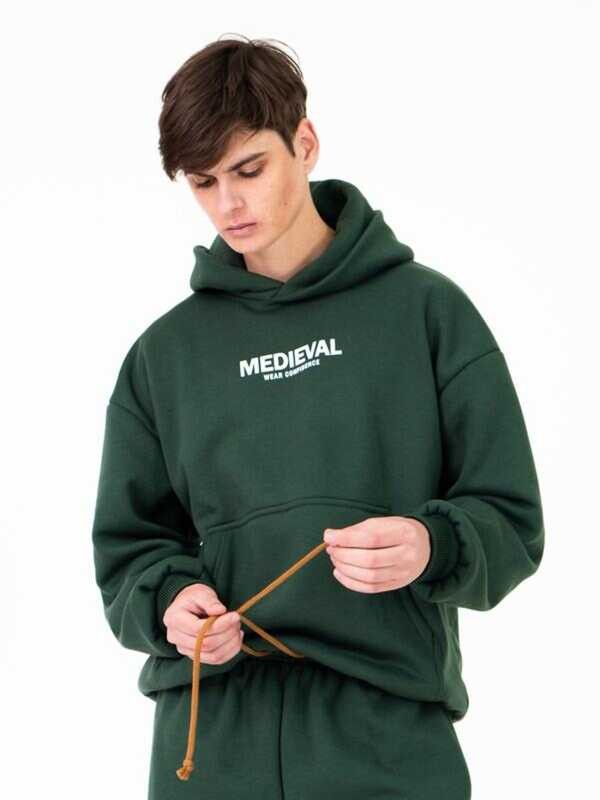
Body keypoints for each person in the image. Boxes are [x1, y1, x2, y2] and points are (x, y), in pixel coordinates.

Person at [91, 35, 545, 800]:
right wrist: (169, 604)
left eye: (249, 169)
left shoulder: (427, 314)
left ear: (304, 144)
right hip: (210, 739)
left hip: (386, 733)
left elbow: (511, 519)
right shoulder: (163, 357)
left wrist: (431, 544)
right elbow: (129, 547)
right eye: (203, 182)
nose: (228, 205)